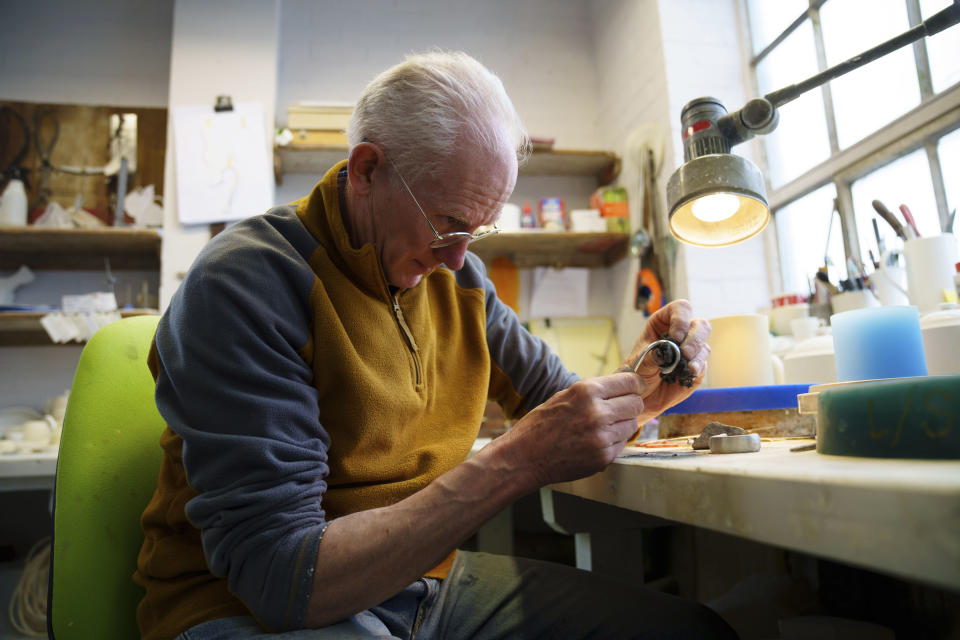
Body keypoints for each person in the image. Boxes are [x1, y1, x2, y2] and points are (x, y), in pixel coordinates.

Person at [134, 50, 735, 640]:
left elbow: (560, 407)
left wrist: (643, 383)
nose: (458, 257)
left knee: (693, 629)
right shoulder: (249, 282)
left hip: (420, 585)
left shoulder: (457, 279)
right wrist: (515, 461)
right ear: (367, 170)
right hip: (245, 608)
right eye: (449, 224)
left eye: (477, 231)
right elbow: (285, 581)